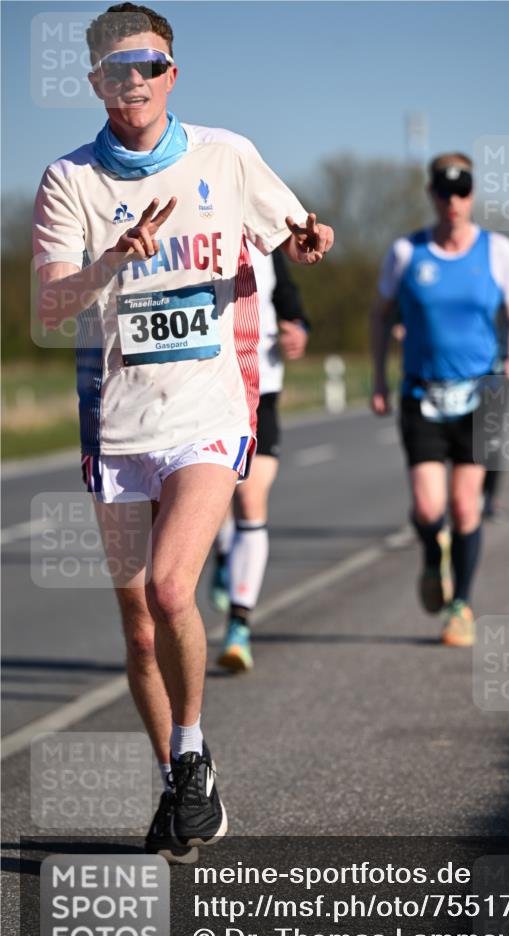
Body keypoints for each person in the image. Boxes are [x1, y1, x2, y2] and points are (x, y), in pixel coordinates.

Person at [32, 2, 333, 862]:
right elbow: (50, 306)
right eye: (118, 71)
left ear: (173, 73)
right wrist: (113, 260)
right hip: (117, 421)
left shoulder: (224, 155)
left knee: (171, 590)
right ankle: (178, 784)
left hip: (209, 412)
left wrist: (309, 239)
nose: (136, 84)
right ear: (94, 81)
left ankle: (192, 759)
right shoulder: (70, 181)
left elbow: (297, 228)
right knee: (136, 627)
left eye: (151, 67)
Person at [370, 153, 509, 647]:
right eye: (444, 189)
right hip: (422, 392)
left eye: (463, 189)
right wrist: (378, 377)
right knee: (426, 505)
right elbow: (379, 316)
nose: (453, 200)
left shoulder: (498, 251)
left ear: (473, 193)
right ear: (432, 194)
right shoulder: (405, 252)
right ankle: (430, 556)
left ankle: (460, 605)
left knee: (465, 507)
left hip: (480, 392)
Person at [209, 243, 309, 670]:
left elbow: (286, 294)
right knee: (215, 499)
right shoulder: (196, 224)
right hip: (204, 389)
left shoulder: (264, 233)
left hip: (260, 386)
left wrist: (299, 329)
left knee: (250, 497)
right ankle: (224, 552)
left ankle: (239, 624)